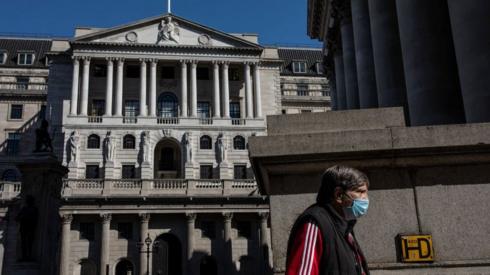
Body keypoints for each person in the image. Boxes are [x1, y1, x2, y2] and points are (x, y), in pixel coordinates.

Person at [285, 165, 370, 275]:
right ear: (338, 194)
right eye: (360, 192)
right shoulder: (314, 223)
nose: (365, 198)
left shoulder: (345, 229)